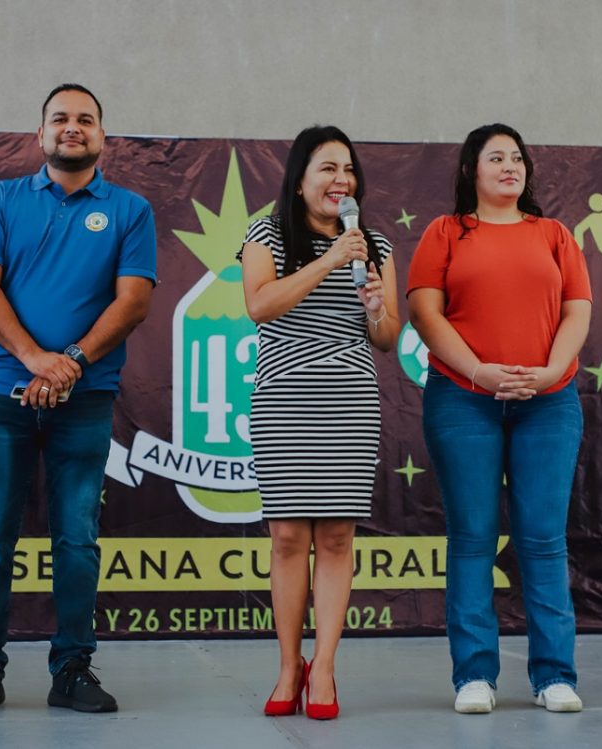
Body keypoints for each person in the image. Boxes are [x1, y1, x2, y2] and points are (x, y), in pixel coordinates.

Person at [0, 83, 157, 713]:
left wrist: (72, 364)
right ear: (40, 134)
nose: (72, 127)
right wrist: (38, 360)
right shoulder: (0, 199)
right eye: (60, 118)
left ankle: (72, 670)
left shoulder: (130, 210)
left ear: (102, 137)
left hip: (85, 399)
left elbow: (134, 301)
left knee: (77, 540)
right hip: (1, 390)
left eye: (85, 119)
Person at [406, 124, 591, 715]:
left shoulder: (554, 235)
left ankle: (554, 676)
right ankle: (474, 676)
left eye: (517, 158)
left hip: (548, 402)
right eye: (496, 157)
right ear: (471, 170)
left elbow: (577, 311)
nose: (510, 166)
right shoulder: (444, 232)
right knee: (472, 538)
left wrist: (550, 372)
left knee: (543, 539)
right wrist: (479, 372)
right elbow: (425, 314)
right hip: (463, 400)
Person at [238, 125, 399, 719]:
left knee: (335, 536)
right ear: (300, 179)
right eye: (328, 168)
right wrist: (330, 259)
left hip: (349, 400)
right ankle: (289, 665)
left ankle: (324, 665)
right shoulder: (267, 234)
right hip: (285, 399)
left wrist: (376, 309)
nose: (341, 180)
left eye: (348, 169)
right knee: (287, 536)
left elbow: (388, 337)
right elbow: (260, 305)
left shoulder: (374, 243)